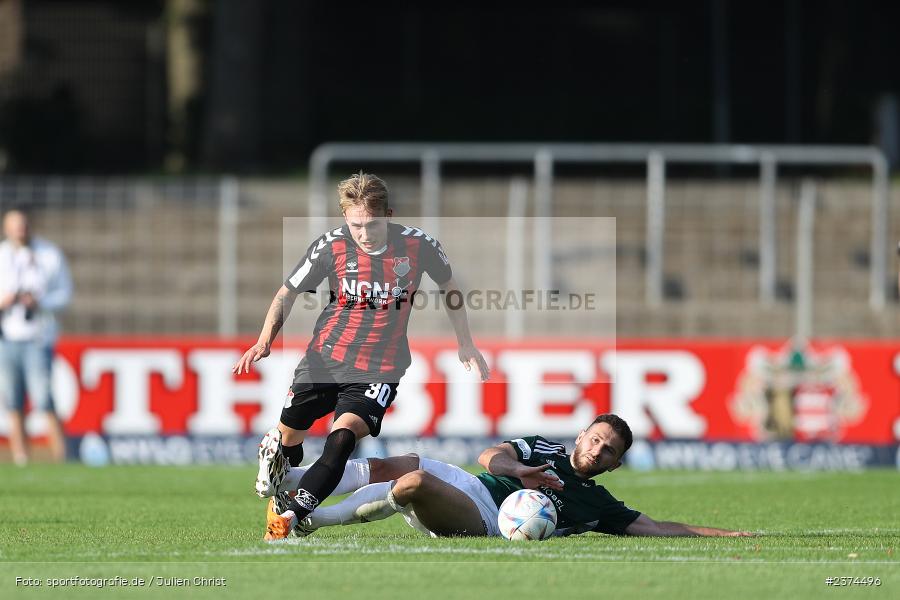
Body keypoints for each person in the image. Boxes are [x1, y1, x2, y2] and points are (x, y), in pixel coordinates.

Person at [233, 172, 489, 534]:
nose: (364, 234)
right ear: (345, 218)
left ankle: (292, 517)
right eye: (356, 226)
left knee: (342, 439)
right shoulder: (330, 246)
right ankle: (281, 483)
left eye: (372, 224)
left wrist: (465, 342)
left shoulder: (420, 245)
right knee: (288, 441)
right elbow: (287, 292)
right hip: (324, 359)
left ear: (388, 215)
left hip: (379, 368)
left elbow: (450, 288)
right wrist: (264, 340)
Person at [262, 414, 751, 539]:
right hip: (475, 485)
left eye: (609, 451)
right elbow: (488, 455)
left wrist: (731, 535)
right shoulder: (543, 448)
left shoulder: (597, 504)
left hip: (487, 519)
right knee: (402, 463)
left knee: (414, 485)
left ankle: (311, 521)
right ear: (581, 436)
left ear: (614, 464)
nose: (597, 450)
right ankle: (287, 481)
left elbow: (659, 527)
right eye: (596, 439)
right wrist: (519, 470)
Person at [0, 209, 72, 465]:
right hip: (6, 336)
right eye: (14, 225)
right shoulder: (2, 255)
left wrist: (40, 302)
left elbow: (65, 294)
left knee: (44, 398)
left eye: (23, 224)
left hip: (38, 337)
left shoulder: (49, 254)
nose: (20, 230)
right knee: (12, 399)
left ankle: (61, 457)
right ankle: (21, 457)